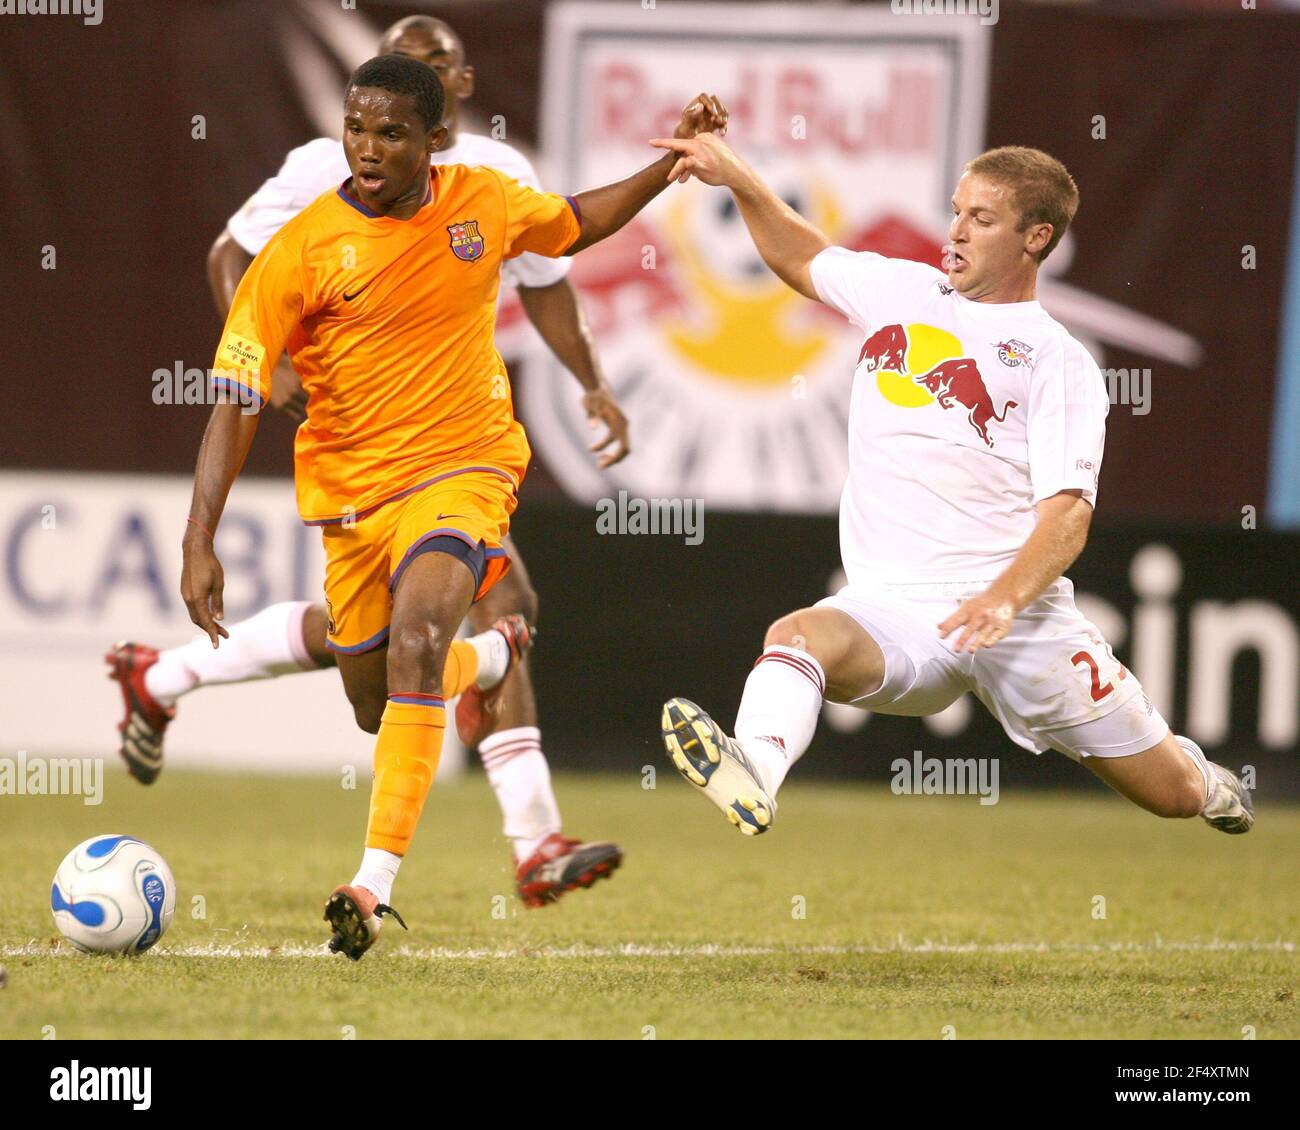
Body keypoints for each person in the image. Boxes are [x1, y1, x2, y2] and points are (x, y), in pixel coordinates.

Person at [182, 52, 727, 958]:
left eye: (390, 132)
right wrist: (200, 536)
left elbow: (578, 224)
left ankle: (372, 882)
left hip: (463, 467)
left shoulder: (481, 200)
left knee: (417, 639)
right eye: (356, 127)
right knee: (378, 701)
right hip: (354, 499)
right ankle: (496, 653)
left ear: (435, 141)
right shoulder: (299, 248)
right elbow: (237, 400)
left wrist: (670, 166)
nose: (366, 147)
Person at [108, 15, 633, 909]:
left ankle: (530, 840)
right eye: (364, 116)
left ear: (453, 97)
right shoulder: (322, 179)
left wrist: (590, 382)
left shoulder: (497, 181)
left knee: (485, 611)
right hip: (353, 468)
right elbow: (230, 258)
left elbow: (555, 268)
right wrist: (267, 362)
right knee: (380, 683)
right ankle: (166, 674)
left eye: (421, 85)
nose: (372, 137)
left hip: (456, 450)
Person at [650, 132, 1253, 840]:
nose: (957, 231)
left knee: (1170, 796)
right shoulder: (905, 292)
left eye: (982, 218)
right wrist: (737, 176)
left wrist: (1003, 598)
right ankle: (752, 770)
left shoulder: (1058, 361)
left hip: (1020, 621)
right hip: (897, 614)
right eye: (957, 210)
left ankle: (1206, 779)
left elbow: (1067, 513)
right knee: (798, 636)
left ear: (1036, 237)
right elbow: (802, 255)